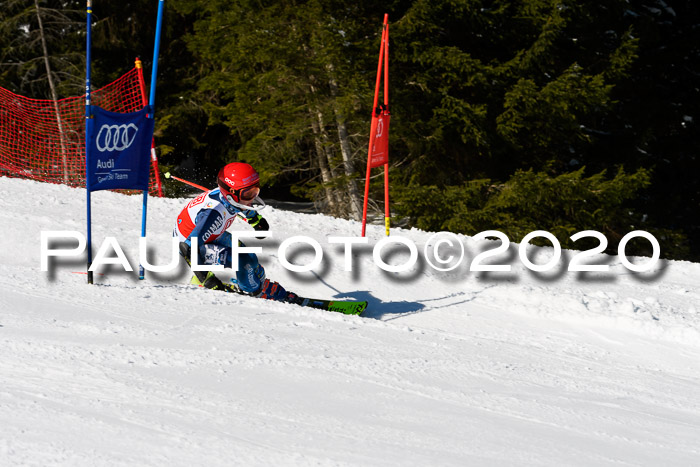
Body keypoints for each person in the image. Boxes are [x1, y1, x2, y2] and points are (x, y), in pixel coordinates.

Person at [174, 162, 296, 302]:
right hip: (192, 246)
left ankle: (256, 282)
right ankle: (254, 292)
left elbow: (242, 205)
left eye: (255, 191)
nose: (252, 198)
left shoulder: (232, 198)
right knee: (243, 261)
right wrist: (207, 279)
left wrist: (255, 220)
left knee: (248, 255)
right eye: (248, 194)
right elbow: (187, 248)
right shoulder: (213, 214)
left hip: (212, 235)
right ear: (231, 194)